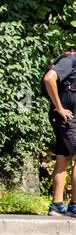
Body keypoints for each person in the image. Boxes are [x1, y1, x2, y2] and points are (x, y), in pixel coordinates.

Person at [43, 44, 76, 216]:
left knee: (63, 159)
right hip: (68, 119)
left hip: (67, 119)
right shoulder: (70, 60)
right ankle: (74, 206)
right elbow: (49, 78)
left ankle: (57, 204)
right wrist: (60, 107)